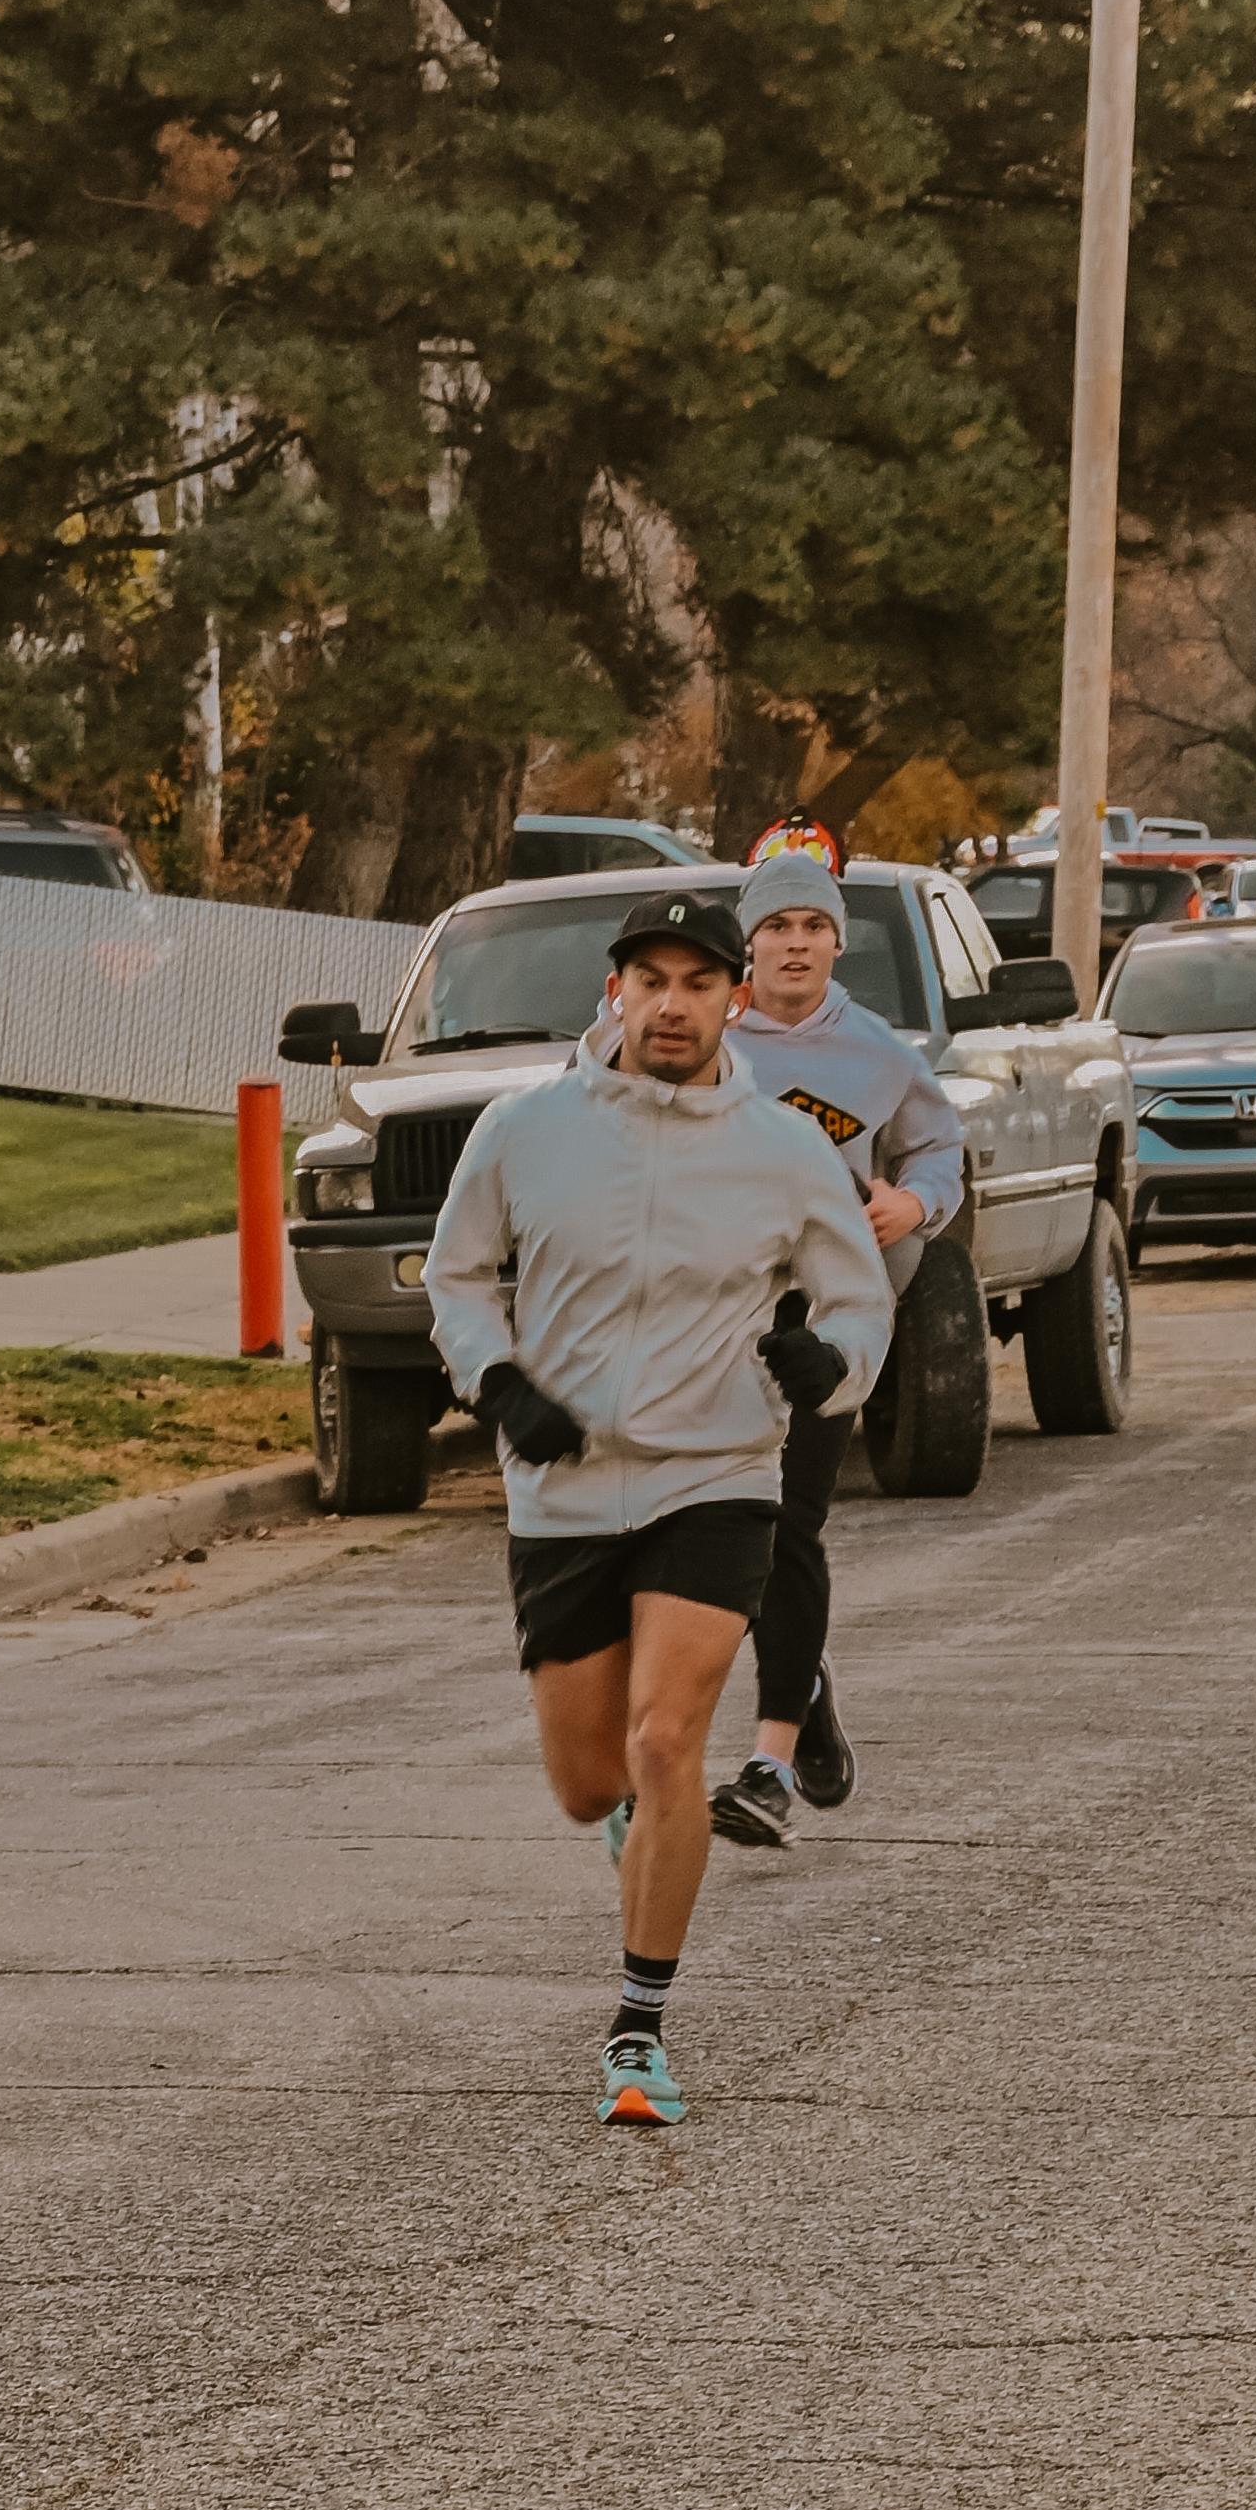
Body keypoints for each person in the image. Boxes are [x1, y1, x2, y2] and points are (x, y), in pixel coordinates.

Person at [426, 889, 892, 2128]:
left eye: (697, 983)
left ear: (735, 1000)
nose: (672, 1005)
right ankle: (637, 1830)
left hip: (714, 1475)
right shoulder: (524, 1130)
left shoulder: (785, 1149)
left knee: (664, 1741)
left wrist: (828, 1365)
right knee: (590, 1785)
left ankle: (637, 2034)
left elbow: (858, 1302)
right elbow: (455, 1278)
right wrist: (499, 1384)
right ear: (614, 993)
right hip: (564, 1486)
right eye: (651, 981)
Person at [705, 837, 966, 1848]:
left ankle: (767, 1766)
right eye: (776, 925)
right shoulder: (701, 1032)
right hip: (711, 1314)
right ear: (748, 940)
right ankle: (804, 1685)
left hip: (829, 1316)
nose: (795, 943)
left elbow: (938, 1148)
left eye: (814, 926)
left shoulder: (878, 1054)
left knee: (790, 1522)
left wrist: (915, 1202)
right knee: (725, 1530)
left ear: (837, 943)